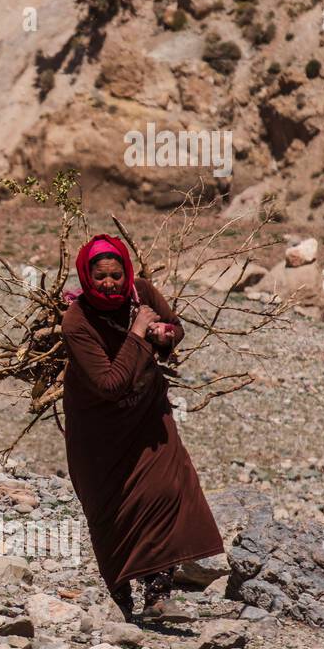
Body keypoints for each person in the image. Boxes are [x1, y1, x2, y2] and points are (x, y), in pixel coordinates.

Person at [59, 234, 225, 623]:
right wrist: (137, 334)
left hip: (147, 413)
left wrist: (164, 336)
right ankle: (119, 597)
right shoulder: (77, 322)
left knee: (167, 488)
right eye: (100, 277)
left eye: (117, 274)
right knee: (110, 507)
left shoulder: (143, 292)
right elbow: (110, 385)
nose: (110, 284)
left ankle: (158, 594)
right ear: (86, 276)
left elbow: (174, 327)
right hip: (98, 427)